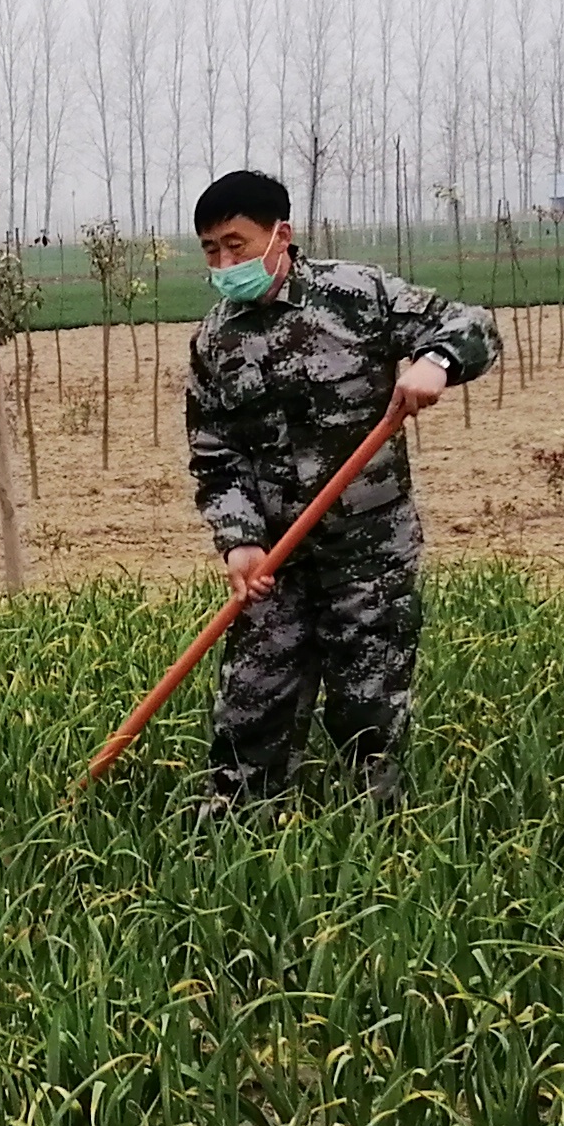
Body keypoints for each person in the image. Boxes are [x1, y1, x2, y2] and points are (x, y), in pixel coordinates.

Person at [181, 169, 498, 810]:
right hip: (277, 562)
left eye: (236, 245)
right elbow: (215, 454)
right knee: (250, 707)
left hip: (369, 553)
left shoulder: (358, 293)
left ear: (281, 235)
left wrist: (436, 363)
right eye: (211, 250)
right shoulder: (216, 340)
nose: (224, 264)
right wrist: (239, 541)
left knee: (368, 712)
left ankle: (374, 830)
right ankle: (238, 827)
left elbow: (470, 324)